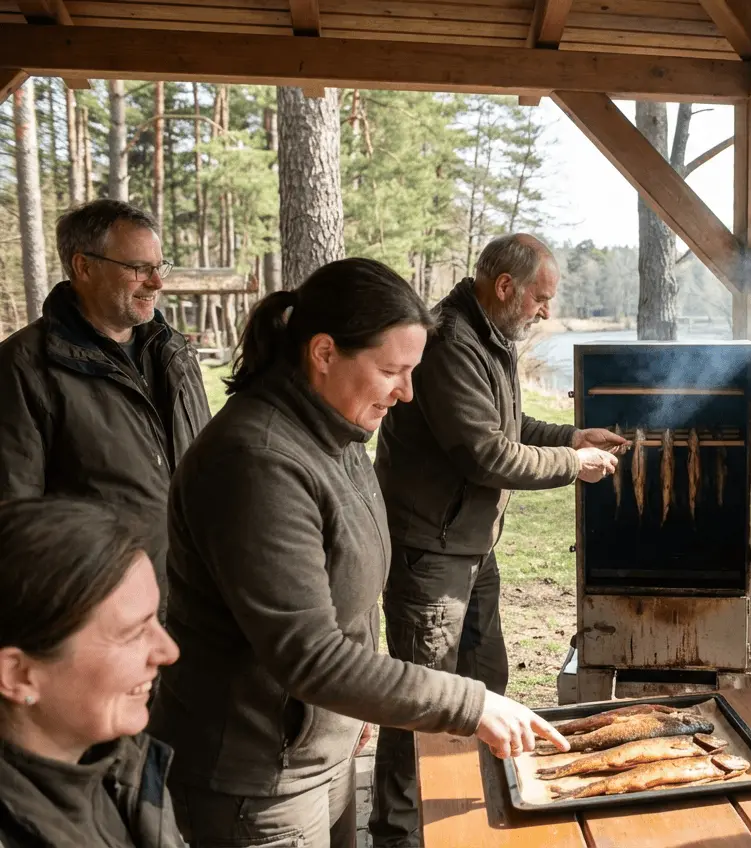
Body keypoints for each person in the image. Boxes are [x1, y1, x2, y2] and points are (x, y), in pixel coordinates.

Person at [148, 258, 567, 848]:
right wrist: (470, 703)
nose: (407, 393)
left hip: (316, 747)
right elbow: (308, 654)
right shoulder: (258, 461)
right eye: (392, 370)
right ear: (323, 352)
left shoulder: (335, 433)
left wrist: (351, 715)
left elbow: (343, 591)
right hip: (257, 774)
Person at [370, 234, 623, 846]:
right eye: (540, 298)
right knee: (423, 701)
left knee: (484, 683)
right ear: (504, 286)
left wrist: (569, 435)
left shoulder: (492, 336)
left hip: (470, 549)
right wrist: (575, 466)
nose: (544, 311)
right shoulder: (451, 341)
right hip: (430, 552)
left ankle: (469, 810)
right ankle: (400, 833)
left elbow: (507, 426)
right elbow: (484, 453)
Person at [0, 199, 211, 615]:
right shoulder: (22, 367)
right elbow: (14, 522)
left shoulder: (177, 354)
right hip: (104, 613)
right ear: (84, 267)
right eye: (138, 268)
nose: (156, 283)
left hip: (200, 608)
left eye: (159, 266)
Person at [0, 498, 183, 847]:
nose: (169, 652)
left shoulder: (120, 764)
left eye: (155, 621)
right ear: (18, 674)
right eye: (133, 633)